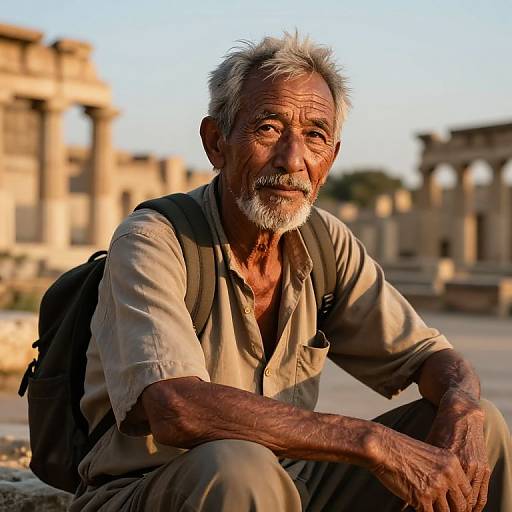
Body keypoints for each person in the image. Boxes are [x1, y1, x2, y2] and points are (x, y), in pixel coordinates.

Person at [71, 33, 511, 512]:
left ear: (332, 158)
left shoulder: (324, 242)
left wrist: (462, 406)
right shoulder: (154, 239)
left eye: (315, 136)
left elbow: (430, 356)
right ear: (216, 142)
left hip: (287, 481)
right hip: (157, 488)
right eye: (268, 129)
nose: (293, 159)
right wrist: (369, 440)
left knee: (482, 426)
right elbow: (175, 407)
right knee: (238, 469)